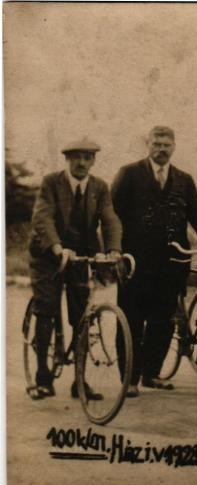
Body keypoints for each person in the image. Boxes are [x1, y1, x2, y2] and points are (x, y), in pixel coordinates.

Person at [111, 126, 197, 397]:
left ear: (174, 147)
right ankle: (129, 379)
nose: (161, 149)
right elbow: (112, 215)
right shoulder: (129, 173)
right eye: (156, 144)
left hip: (172, 262)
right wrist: (115, 252)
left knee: (163, 319)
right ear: (147, 144)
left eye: (166, 145)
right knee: (132, 319)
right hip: (135, 261)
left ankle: (151, 374)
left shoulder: (184, 179)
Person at [27, 138, 122, 400]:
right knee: (46, 308)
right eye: (76, 157)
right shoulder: (51, 182)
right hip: (48, 255)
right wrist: (57, 247)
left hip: (80, 256)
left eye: (87, 158)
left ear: (93, 161)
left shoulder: (99, 187)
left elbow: (110, 219)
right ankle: (43, 377)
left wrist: (114, 249)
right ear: (67, 160)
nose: (81, 162)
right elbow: (42, 217)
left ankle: (79, 381)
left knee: (82, 315)